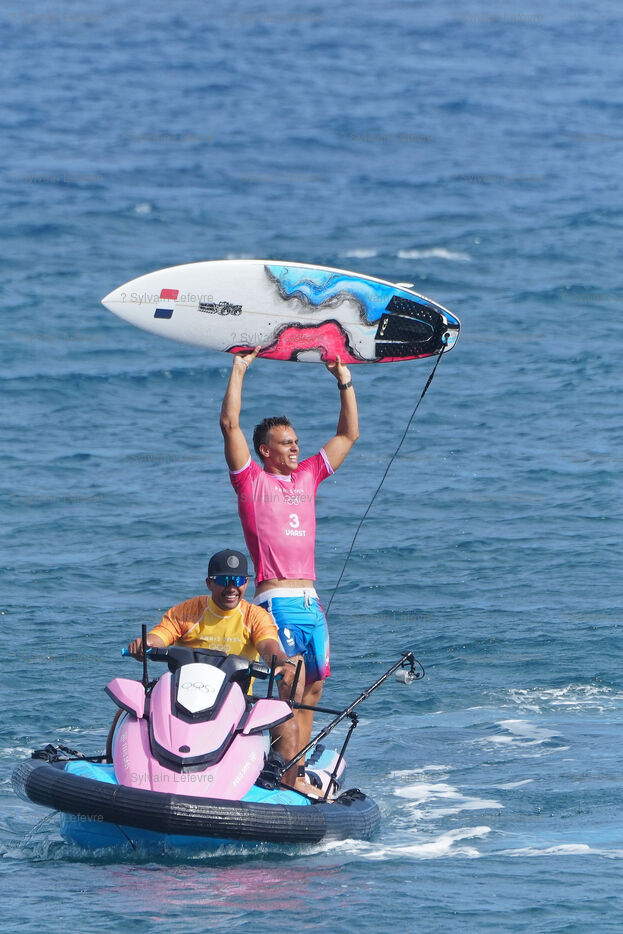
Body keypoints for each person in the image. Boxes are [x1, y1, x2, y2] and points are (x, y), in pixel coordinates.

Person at [219, 348, 359, 788]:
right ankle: (283, 773)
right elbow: (229, 425)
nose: (296, 446)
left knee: (313, 690)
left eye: (297, 440)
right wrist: (240, 369)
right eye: (286, 442)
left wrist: (343, 379)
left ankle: (293, 771)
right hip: (276, 600)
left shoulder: (308, 476)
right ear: (265, 450)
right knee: (289, 685)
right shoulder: (250, 481)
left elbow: (348, 434)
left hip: (311, 602)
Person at [127, 549, 303, 788]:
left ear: (247, 583)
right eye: (223, 580)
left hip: (238, 703)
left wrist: (281, 662)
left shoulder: (255, 617)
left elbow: (268, 646)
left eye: (238, 580)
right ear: (209, 583)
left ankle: (284, 792)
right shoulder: (187, 612)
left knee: (288, 726)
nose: (232, 588)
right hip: (180, 701)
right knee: (131, 708)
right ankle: (117, 770)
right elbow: (159, 637)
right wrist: (145, 644)